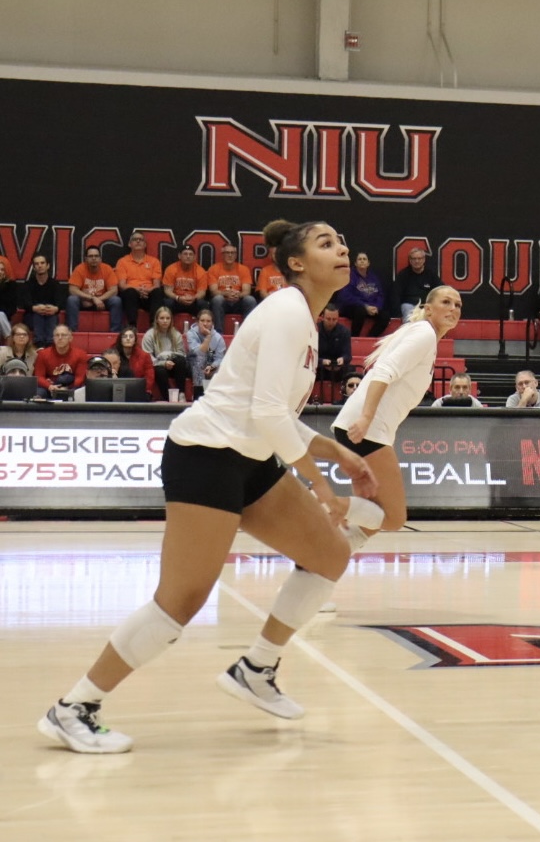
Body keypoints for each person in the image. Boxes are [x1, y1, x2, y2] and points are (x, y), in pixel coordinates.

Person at [38, 219, 377, 755]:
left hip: (250, 457)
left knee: (330, 554)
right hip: (206, 457)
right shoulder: (288, 310)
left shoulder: (306, 321)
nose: (343, 249)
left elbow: (268, 414)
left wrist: (331, 450)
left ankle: (255, 668)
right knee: (179, 602)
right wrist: (322, 488)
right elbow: (265, 412)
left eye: (342, 241)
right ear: (295, 263)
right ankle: (73, 707)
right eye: (327, 243)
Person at [333, 285, 463, 543]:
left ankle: (325, 561)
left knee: (369, 518)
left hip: (365, 427)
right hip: (367, 428)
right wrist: (367, 417)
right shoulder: (424, 333)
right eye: (446, 302)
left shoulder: (425, 336)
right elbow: (383, 373)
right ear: (428, 309)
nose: (453, 309)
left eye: (458, 305)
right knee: (392, 517)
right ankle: (317, 501)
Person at [115, 232, 166, 329]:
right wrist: (137, 290)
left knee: (158, 292)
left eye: (141, 239)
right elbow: (122, 285)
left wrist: (147, 290)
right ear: (130, 244)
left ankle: (154, 326)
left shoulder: (154, 261)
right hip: (132, 296)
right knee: (129, 292)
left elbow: (156, 284)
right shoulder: (122, 261)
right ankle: (132, 326)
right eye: (135, 239)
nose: (138, 241)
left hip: (148, 294)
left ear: (145, 245)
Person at [66, 246, 122, 333]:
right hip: (85, 301)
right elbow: (72, 289)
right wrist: (92, 298)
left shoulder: (107, 269)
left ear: (100, 258)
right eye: (91, 256)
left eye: (96, 256)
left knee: (116, 300)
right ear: (86, 259)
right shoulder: (80, 269)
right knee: (72, 299)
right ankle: (72, 332)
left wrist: (99, 299)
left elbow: (114, 290)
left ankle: (115, 333)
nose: (94, 258)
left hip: (102, 301)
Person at [336, 251, 391, 337]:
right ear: (355, 263)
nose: (362, 261)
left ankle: (370, 338)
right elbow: (345, 296)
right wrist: (365, 306)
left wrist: (376, 307)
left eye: (364, 259)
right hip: (352, 308)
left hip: (370, 308)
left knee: (385, 316)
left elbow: (380, 295)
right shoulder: (349, 276)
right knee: (360, 311)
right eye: (359, 259)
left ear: (368, 263)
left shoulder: (373, 277)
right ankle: (354, 338)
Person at [206, 244, 257, 332]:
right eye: (227, 253)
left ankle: (248, 332)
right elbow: (213, 291)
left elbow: (247, 291)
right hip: (223, 302)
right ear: (222, 254)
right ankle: (218, 333)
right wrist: (225, 294)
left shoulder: (243, 269)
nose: (230, 255)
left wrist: (238, 295)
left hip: (238, 301)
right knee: (217, 299)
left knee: (250, 300)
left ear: (236, 255)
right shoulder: (213, 269)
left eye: (232, 253)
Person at [142, 306, 189, 402]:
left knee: (181, 361)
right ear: (157, 320)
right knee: (160, 371)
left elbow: (182, 354)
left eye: (168, 318)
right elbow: (147, 357)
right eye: (162, 318)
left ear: (171, 320)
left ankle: (181, 394)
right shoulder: (149, 335)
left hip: (174, 364)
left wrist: (169, 358)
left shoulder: (176, 334)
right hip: (158, 365)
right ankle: (169, 398)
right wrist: (163, 363)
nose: (165, 321)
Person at [33, 324, 89, 399]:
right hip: (49, 387)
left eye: (63, 335)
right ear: (53, 338)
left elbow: (80, 378)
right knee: (39, 392)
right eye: (57, 335)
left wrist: (66, 388)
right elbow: (39, 376)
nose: (60, 338)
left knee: (80, 391)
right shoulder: (43, 354)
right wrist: (49, 386)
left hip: (71, 387)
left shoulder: (81, 354)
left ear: (70, 338)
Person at [23, 254, 66, 347]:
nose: (40, 265)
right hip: (32, 317)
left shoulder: (55, 284)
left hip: (51, 316)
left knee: (51, 315)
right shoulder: (28, 284)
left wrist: (54, 309)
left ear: (48, 265)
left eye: (42, 263)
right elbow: (25, 303)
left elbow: (60, 303)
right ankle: (39, 343)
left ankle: (50, 343)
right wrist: (35, 308)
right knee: (38, 314)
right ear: (34, 267)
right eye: (37, 264)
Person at [184, 309, 226, 400]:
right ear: (197, 322)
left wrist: (212, 366)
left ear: (212, 323)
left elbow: (219, 358)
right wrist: (208, 337)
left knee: (223, 366)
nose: (205, 324)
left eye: (208, 321)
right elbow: (198, 352)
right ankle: (198, 397)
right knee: (199, 360)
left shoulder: (219, 338)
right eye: (202, 321)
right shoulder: (191, 334)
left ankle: (218, 399)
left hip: (210, 364)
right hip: (191, 365)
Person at [161, 244, 209, 321]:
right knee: (167, 302)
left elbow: (202, 292)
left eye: (190, 254)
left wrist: (193, 298)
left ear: (194, 257)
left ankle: (202, 330)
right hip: (176, 300)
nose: (188, 256)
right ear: (179, 256)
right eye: (185, 254)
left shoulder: (200, 271)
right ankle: (167, 329)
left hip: (193, 300)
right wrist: (178, 298)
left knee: (203, 304)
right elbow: (167, 290)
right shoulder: (171, 269)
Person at [394, 248, 444, 321]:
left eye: (419, 258)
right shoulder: (403, 275)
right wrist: (397, 312)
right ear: (410, 261)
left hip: (426, 306)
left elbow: (441, 290)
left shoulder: (431, 274)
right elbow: (395, 294)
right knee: (408, 312)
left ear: (424, 259)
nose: (416, 261)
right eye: (414, 259)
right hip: (408, 305)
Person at [317, 303, 353, 403]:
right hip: (319, 368)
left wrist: (342, 360)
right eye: (328, 319)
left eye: (334, 319)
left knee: (351, 371)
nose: (331, 322)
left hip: (338, 368)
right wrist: (322, 361)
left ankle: (345, 400)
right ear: (322, 317)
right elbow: (309, 355)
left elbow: (348, 355)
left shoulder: (344, 331)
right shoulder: (315, 330)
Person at [114, 325, 156, 395]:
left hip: (139, 390)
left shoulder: (144, 356)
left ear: (135, 340)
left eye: (131, 337)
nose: (128, 339)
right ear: (120, 340)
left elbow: (149, 377)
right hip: (117, 390)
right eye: (125, 336)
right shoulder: (113, 354)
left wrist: (140, 389)